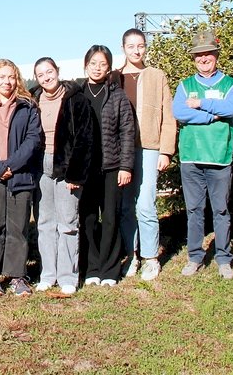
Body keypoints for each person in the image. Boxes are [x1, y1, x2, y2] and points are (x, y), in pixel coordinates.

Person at [172, 29, 233, 280]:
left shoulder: (230, 84)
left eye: (207, 54)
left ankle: (223, 258)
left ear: (216, 55)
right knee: (194, 210)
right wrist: (212, 116)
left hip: (219, 157)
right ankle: (195, 257)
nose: (203, 58)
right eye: (198, 55)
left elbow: (232, 107)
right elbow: (179, 112)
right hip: (191, 157)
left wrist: (201, 104)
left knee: (221, 211)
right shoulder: (185, 85)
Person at [0, 58, 43, 298]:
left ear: (17, 80)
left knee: (18, 227)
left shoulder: (28, 106)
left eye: (11, 77)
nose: (7, 81)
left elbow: (33, 140)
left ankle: (17, 276)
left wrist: (11, 166)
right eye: (2, 77)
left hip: (21, 175)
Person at [116, 29, 177, 282]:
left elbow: (168, 115)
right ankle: (131, 255)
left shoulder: (156, 76)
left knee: (146, 204)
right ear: (124, 48)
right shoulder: (115, 77)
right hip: (122, 151)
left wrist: (166, 150)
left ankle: (151, 258)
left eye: (140, 46)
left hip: (150, 147)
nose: (137, 51)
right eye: (131, 46)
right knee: (126, 205)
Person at [30, 57, 94, 296]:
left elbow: (85, 139)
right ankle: (48, 274)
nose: (46, 77)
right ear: (36, 79)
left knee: (67, 222)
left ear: (58, 71)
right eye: (41, 75)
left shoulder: (76, 99)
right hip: (40, 167)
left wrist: (76, 173)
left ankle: (68, 276)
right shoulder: (32, 101)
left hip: (67, 166)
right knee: (45, 223)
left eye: (49, 72)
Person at [79, 45, 136, 287]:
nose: (97, 68)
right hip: (86, 169)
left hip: (112, 167)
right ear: (86, 65)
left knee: (110, 217)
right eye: (93, 63)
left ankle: (110, 270)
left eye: (102, 64)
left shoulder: (117, 95)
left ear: (109, 67)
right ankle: (92, 267)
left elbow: (127, 132)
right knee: (88, 218)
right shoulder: (77, 94)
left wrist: (126, 166)